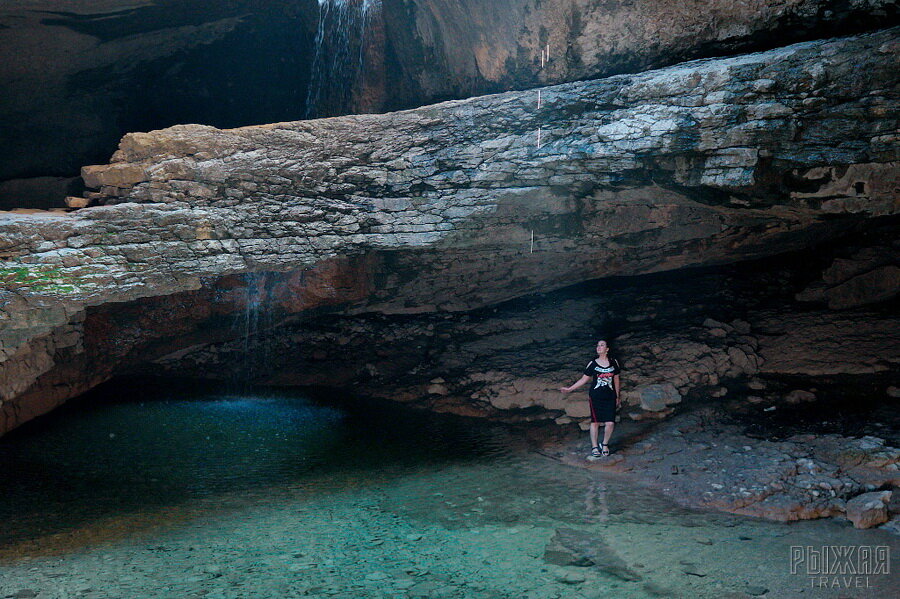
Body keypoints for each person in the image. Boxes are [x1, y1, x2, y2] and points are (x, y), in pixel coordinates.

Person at [560, 339, 621, 458]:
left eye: (602, 345)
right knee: (595, 422)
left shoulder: (614, 362)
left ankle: (604, 444)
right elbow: (584, 379)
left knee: (610, 423)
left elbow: (616, 379)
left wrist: (617, 396)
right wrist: (570, 389)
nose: (599, 347)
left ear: (607, 349)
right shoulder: (592, 363)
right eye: (598, 345)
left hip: (609, 396)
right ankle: (594, 446)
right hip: (596, 397)